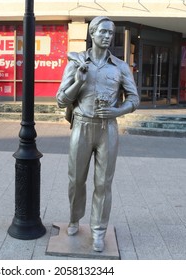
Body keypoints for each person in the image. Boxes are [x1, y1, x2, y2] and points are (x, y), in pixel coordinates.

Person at [56, 16, 140, 252]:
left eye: (110, 33)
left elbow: (134, 99)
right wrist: (78, 82)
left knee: (103, 183)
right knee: (76, 180)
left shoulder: (120, 67)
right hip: (82, 126)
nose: (107, 36)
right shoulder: (77, 63)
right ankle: (74, 219)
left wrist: (117, 110)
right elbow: (61, 99)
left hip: (108, 129)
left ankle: (98, 230)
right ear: (92, 33)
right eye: (102, 31)